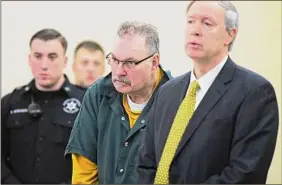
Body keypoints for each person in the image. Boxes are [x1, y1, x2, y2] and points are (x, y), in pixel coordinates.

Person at [137, 1, 279, 184]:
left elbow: (245, 173)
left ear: (230, 34)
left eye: (207, 23)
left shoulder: (255, 92)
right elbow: (146, 163)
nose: (195, 30)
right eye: (190, 21)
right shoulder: (167, 91)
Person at [64, 21, 172, 184]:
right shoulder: (98, 94)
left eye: (130, 63)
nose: (119, 72)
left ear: (154, 62)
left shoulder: (175, 98)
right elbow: (83, 173)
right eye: (114, 60)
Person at [1, 28, 85, 184]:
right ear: (29, 59)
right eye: (38, 56)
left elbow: (96, 158)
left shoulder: (85, 104)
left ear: (65, 61)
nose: (44, 65)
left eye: (52, 57)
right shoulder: (10, 103)